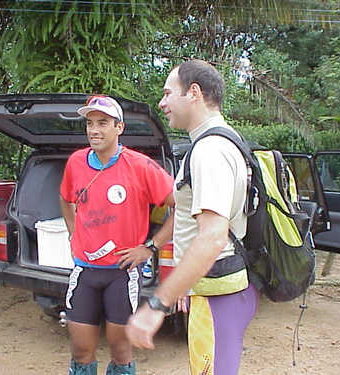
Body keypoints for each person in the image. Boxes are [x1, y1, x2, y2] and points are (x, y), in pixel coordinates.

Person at [126, 60, 260, 375]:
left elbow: (212, 236)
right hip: (215, 290)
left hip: (218, 294)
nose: (162, 103)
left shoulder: (210, 150)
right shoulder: (220, 141)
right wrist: (190, 286)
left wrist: (157, 304)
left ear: (194, 93)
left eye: (168, 93)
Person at [59, 95, 175, 375]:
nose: (94, 130)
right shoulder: (76, 162)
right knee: (81, 350)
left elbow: (181, 207)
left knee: (121, 351)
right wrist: (74, 232)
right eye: (89, 123)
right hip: (85, 270)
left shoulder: (140, 166)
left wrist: (150, 247)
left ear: (119, 127)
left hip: (122, 273)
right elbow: (65, 199)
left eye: (102, 123)